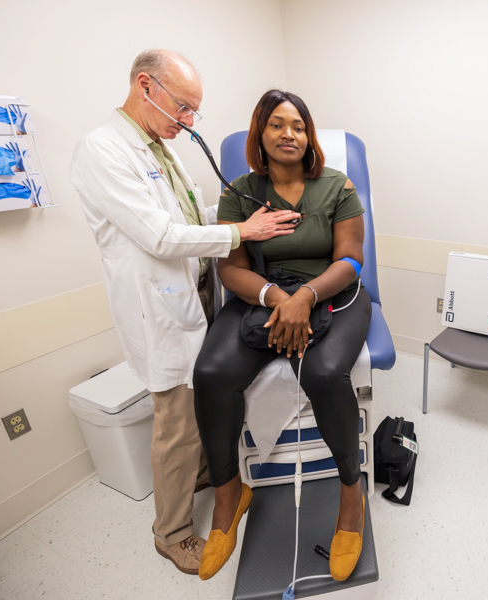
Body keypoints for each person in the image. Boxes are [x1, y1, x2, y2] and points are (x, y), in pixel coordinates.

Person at [69, 50, 299, 576]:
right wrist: (244, 232)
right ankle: (170, 534)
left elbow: (187, 214)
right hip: (159, 309)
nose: (190, 122)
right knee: (175, 422)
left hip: (195, 297)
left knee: (203, 406)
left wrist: (242, 214)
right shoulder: (102, 151)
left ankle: (201, 478)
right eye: (185, 108)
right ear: (145, 86)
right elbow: (158, 234)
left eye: (196, 112)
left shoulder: (156, 147)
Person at [193, 90, 371, 581]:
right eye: (276, 124)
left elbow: (352, 259)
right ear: (261, 133)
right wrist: (277, 297)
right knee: (211, 372)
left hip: (334, 292)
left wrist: (305, 296)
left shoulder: (337, 185)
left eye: (297, 125)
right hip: (263, 294)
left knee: (325, 371)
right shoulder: (240, 191)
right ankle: (230, 494)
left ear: (308, 136)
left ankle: (351, 494)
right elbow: (229, 268)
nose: (288, 133)